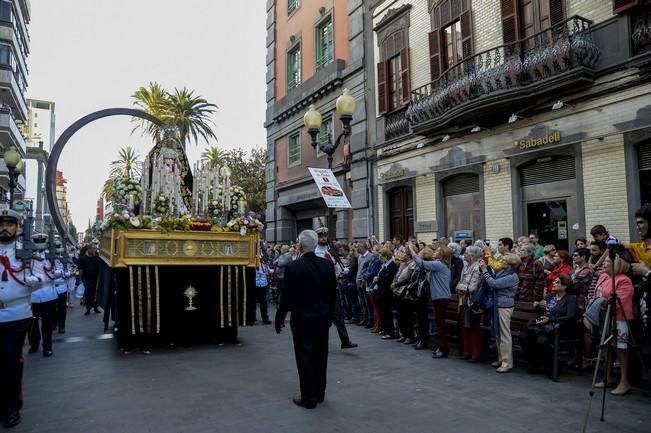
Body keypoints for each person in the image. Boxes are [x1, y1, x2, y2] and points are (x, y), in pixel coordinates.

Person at [274, 230, 337, 409]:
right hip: (322, 318)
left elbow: (286, 297)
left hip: (302, 319)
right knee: (321, 355)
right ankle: (320, 391)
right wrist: (330, 314)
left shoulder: (295, 267)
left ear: (300, 245)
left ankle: (309, 396)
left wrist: (279, 318)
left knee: (305, 357)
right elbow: (333, 294)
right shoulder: (327, 265)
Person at [0, 208, 44, 428]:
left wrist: (33, 280)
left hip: (16, 315)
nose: (4, 228)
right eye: (1, 224)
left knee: (10, 361)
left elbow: (40, 277)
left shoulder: (25, 251)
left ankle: (11, 407)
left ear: (17, 228)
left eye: (9, 224)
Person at [596, 247, 634, 396]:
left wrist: (603, 303)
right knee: (606, 346)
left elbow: (620, 301)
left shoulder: (623, 280)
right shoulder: (606, 278)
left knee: (621, 348)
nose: (603, 264)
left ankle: (624, 381)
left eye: (607, 261)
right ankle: (608, 376)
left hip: (619, 318)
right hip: (605, 316)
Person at [314, 227, 357, 349]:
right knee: (321, 316)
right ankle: (319, 341)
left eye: (325, 236)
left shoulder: (329, 252)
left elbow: (336, 266)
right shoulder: (316, 253)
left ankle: (345, 341)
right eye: (321, 236)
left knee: (338, 315)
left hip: (333, 288)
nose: (323, 238)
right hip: (322, 290)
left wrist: (343, 271)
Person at [526, 273, 577, 374]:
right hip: (544, 325)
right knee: (523, 337)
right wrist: (538, 306)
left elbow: (570, 316)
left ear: (565, 286)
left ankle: (548, 364)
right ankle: (536, 363)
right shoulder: (550, 296)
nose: (553, 283)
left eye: (557, 282)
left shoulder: (570, 299)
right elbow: (538, 311)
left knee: (540, 341)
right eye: (554, 281)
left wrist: (551, 319)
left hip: (559, 328)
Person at [480, 253, 521, 373]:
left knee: (504, 334)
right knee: (498, 333)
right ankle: (501, 358)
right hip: (497, 304)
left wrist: (484, 271)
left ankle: (507, 362)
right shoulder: (502, 272)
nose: (501, 261)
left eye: (504, 260)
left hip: (504, 306)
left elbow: (494, 284)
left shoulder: (512, 276)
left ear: (510, 264)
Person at [411, 243, 453, 359]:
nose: (434, 251)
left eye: (437, 251)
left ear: (442, 255)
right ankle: (442, 347)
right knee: (440, 324)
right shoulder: (441, 265)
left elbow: (420, 263)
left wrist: (411, 250)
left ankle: (444, 348)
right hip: (440, 297)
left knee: (441, 325)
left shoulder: (439, 264)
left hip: (441, 298)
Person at [28, 234, 58, 357]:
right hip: (33, 293)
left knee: (47, 323)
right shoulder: (28, 255)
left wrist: (58, 273)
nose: (39, 244)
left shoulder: (50, 255)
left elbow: (55, 270)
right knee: (32, 322)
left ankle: (47, 346)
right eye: (37, 241)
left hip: (48, 294)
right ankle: (34, 343)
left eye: (41, 241)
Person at [456, 246, 483, 362]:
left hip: (472, 302)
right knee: (465, 327)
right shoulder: (466, 266)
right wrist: (460, 287)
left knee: (473, 328)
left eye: (466, 253)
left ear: (472, 255)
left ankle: (475, 353)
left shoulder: (477, 268)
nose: (464, 255)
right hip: (463, 300)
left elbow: (472, 287)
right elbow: (461, 282)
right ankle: (467, 351)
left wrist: (460, 287)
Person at [374, 247, 398, 340]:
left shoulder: (391, 265)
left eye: (381, 256)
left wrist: (378, 279)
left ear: (385, 256)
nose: (379, 257)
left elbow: (388, 278)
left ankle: (390, 332)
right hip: (381, 291)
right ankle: (385, 329)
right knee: (383, 312)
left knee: (387, 313)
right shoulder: (384, 265)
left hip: (387, 292)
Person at [77, 242, 102, 315]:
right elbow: (81, 270)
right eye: (93, 249)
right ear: (88, 249)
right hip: (86, 280)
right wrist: (81, 280)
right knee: (88, 294)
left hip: (95, 279)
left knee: (95, 293)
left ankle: (95, 307)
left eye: (95, 248)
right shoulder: (83, 259)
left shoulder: (97, 258)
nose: (95, 250)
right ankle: (88, 309)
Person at [253, 257, 272, 325]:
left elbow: (267, 271)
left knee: (263, 302)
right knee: (253, 302)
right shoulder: (253, 261)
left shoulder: (264, 263)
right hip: (255, 283)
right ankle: (252, 317)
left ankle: (265, 318)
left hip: (263, 284)